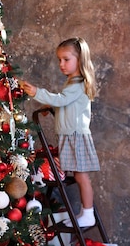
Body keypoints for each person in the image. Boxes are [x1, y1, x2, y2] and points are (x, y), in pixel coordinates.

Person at [21, 37, 99, 227]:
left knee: (81, 176)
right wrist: (53, 107)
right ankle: (84, 212)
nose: (61, 64)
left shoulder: (77, 84)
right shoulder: (73, 83)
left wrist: (37, 93)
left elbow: (62, 100)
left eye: (66, 59)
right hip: (69, 135)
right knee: (78, 176)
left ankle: (88, 213)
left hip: (75, 136)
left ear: (79, 60)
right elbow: (66, 104)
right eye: (59, 60)